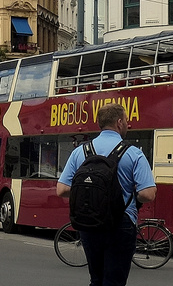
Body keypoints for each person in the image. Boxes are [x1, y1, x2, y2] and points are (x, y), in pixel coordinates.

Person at [56, 102, 158, 286]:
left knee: (96, 280)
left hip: (89, 222)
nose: (128, 124)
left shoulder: (80, 152)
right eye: (126, 120)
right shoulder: (134, 154)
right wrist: (129, 194)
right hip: (122, 223)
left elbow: (61, 189)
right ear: (119, 122)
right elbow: (148, 194)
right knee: (114, 281)